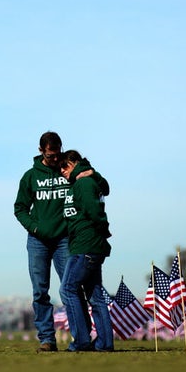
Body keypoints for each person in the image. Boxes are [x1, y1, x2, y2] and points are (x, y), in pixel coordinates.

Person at [14, 132, 109, 352]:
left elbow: (101, 187)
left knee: (72, 289)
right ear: (41, 151)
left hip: (66, 240)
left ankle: (82, 338)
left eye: (57, 155)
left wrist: (92, 172)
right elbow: (19, 208)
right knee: (40, 292)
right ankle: (47, 339)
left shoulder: (69, 171)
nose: (55, 160)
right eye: (50, 156)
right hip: (38, 241)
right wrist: (35, 227)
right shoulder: (30, 177)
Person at [58, 149, 113, 352]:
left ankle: (81, 340)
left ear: (74, 162)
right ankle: (105, 343)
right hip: (86, 245)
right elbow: (104, 189)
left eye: (65, 166)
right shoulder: (82, 182)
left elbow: (94, 211)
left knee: (68, 289)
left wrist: (103, 229)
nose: (62, 171)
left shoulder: (84, 182)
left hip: (85, 245)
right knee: (95, 295)